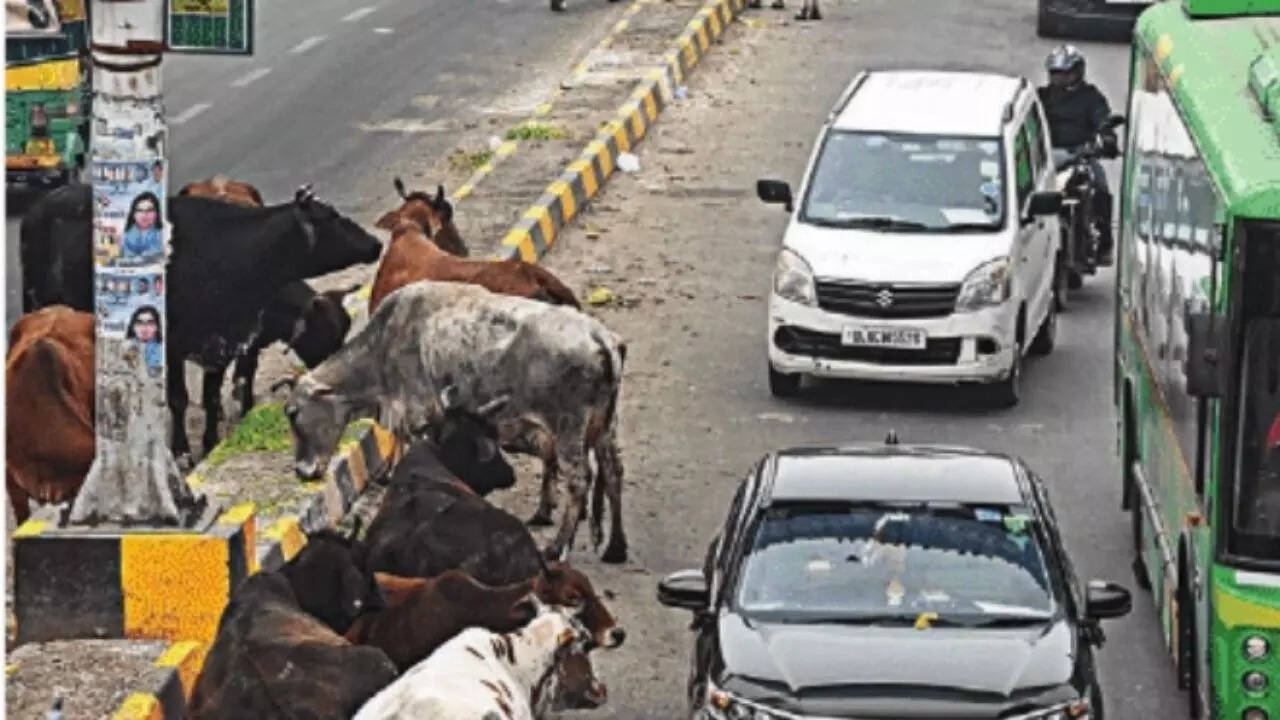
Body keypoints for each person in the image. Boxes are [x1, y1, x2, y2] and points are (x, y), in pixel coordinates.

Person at [1037, 44, 1117, 265]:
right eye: (1055, 73)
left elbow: (1102, 119)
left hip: (1080, 156)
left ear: (1077, 72)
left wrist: (1107, 138)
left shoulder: (1091, 97)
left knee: (1100, 188)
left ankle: (1105, 244)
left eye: (1064, 73)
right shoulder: (1041, 97)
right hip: (1047, 159)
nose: (1059, 78)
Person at [119, 191, 164, 263]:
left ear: (157, 213)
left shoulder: (163, 234)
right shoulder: (127, 235)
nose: (144, 214)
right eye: (139, 210)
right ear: (133, 214)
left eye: (149, 210)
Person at [125, 305, 163, 369]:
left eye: (150, 323)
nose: (144, 328)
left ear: (157, 326)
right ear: (133, 326)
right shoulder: (126, 346)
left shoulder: (161, 349)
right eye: (139, 323)